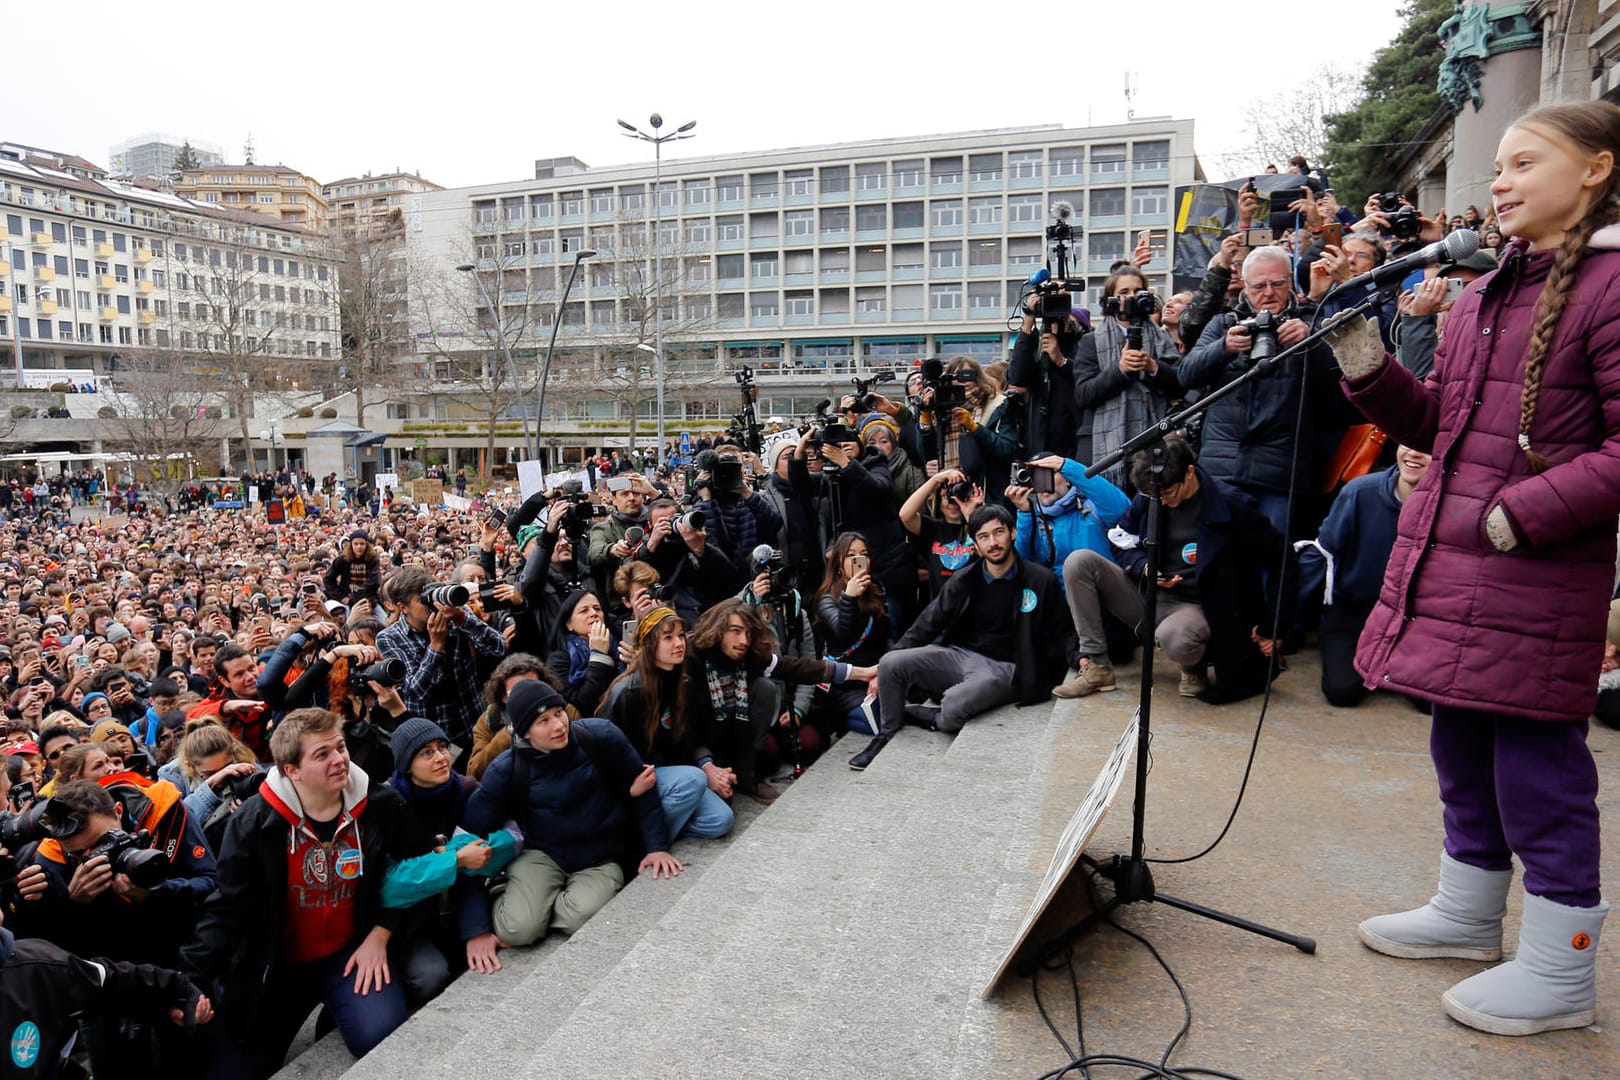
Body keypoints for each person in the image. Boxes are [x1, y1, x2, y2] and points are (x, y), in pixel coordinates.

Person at [1331, 100, 1620, 1037]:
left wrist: (1522, 514)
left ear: (1595, 170)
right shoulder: (1490, 290)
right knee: (1460, 747)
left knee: (1539, 770)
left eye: (1524, 162)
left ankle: (1558, 972)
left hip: (1531, 572)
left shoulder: (1612, 286)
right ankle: (1465, 914)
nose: (1499, 181)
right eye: (1496, 165)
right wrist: (1368, 363)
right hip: (1462, 568)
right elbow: (1444, 427)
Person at [182, 707, 425, 1077]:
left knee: (378, 1036)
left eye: (340, 747)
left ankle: (338, 1006)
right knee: (237, 1070)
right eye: (322, 754)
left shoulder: (381, 805)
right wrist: (191, 980)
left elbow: (412, 872)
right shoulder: (252, 822)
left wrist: (382, 932)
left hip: (350, 950)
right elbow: (227, 908)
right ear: (291, 770)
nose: (340, 760)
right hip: (278, 965)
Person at [1054, 435, 1291, 703]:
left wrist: (1273, 625)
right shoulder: (1152, 496)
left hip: (1198, 605)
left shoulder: (1232, 504)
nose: (1163, 502)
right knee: (1079, 562)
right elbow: (1121, 541)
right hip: (1151, 593)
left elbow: (1282, 560)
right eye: (1157, 496)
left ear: (1189, 473)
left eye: (1168, 494)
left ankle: (1194, 668)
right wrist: (1144, 567)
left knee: (1174, 637)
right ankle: (1097, 665)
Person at [461, 680, 681, 947]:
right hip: (542, 853)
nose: (558, 725)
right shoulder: (505, 770)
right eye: (543, 721)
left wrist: (656, 847)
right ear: (524, 732)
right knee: (518, 930)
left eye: (558, 713)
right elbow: (469, 839)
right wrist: (476, 928)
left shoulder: (599, 736)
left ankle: (539, 910)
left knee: (582, 917)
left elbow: (643, 786)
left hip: (600, 855)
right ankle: (510, 898)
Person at [851, 505, 1069, 770]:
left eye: (998, 532)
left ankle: (933, 718)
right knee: (890, 663)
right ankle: (887, 733)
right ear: (975, 545)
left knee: (953, 705)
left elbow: (1062, 631)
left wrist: (1068, 665)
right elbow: (928, 623)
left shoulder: (1039, 580)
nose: (993, 542)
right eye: (984, 536)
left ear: (1012, 533)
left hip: (1005, 667)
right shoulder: (965, 579)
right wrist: (882, 665)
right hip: (959, 655)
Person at [1295, 445, 1432, 707]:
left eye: (1427, 449)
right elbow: (1321, 555)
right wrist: (1285, 623)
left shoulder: (1451, 502)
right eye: (1407, 444)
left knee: (1428, 704)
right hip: (1354, 610)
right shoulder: (1359, 491)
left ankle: (1391, 660)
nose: (1414, 454)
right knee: (1342, 691)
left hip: (1416, 618)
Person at [597, 608, 736, 841]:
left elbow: (694, 737)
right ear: (650, 644)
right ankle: (644, 841)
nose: (679, 643)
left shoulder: (684, 683)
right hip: (637, 778)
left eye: (681, 636)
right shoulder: (627, 693)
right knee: (694, 780)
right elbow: (605, 754)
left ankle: (654, 823)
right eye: (668, 637)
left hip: (674, 773)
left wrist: (709, 766)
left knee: (721, 820)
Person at [375, 565, 508, 758]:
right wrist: (436, 646)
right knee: (455, 784)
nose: (433, 606)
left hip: (475, 727)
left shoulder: (454, 614)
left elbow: (499, 647)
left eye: (433, 597)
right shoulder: (389, 638)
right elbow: (415, 693)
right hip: (438, 740)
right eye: (424, 601)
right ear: (403, 607)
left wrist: (463, 618)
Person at [1073, 266, 1183, 488]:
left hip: (1154, 443)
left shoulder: (1161, 338)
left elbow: (1181, 383)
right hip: (1105, 449)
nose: (1131, 297)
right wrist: (1119, 370)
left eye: (1138, 291)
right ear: (1111, 299)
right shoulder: (1091, 341)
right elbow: (1083, 395)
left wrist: (1153, 367)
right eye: (1124, 292)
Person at [811, 532, 890, 739]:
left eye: (864, 554)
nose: (858, 560)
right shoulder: (826, 599)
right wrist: (849, 597)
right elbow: (842, 635)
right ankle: (838, 721)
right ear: (838, 563)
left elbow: (888, 638)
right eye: (851, 555)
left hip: (875, 675)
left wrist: (883, 671)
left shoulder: (876, 590)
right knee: (881, 723)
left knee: (898, 712)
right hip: (845, 683)